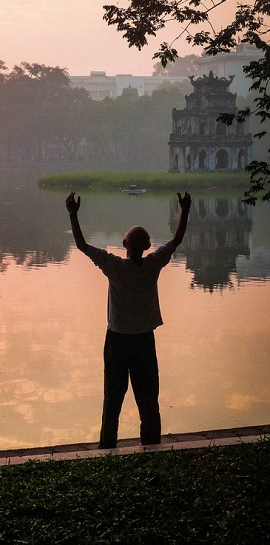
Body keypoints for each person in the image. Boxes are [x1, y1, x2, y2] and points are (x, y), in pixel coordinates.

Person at [65, 190, 191, 448]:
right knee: (148, 402)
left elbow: (82, 245)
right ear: (146, 247)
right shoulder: (153, 264)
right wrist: (185, 210)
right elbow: (176, 240)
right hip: (144, 340)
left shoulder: (114, 267)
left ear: (125, 246)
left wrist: (73, 214)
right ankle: (151, 447)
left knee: (112, 401)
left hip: (117, 341)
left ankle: (107, 447)